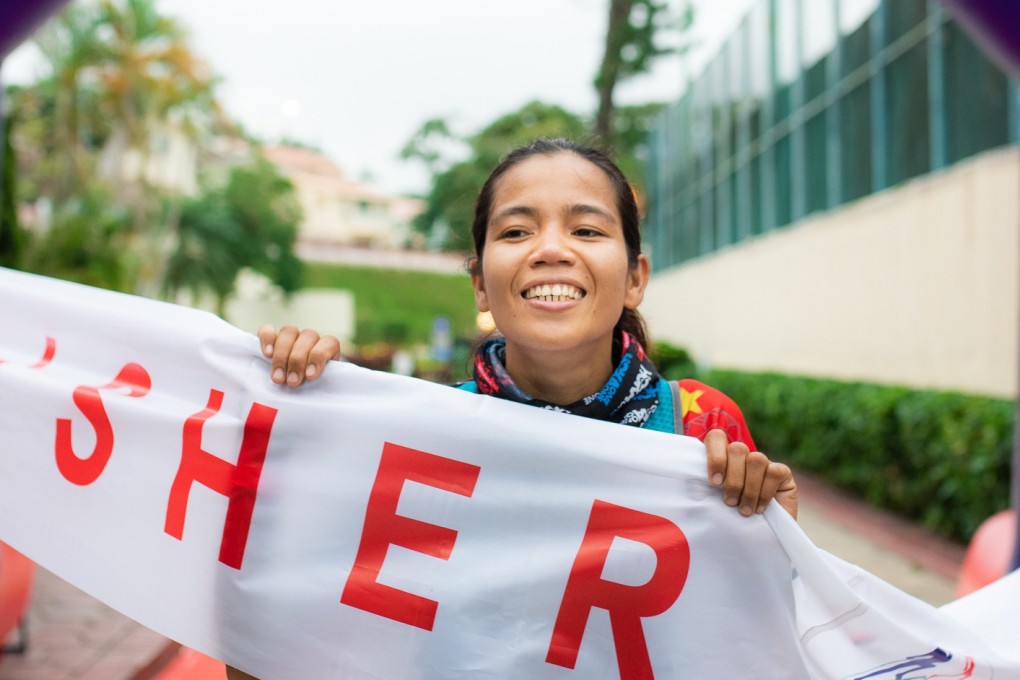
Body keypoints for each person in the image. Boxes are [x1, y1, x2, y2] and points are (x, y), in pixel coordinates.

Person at [229, 138, 796, 680]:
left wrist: (779, 542)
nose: (551, 250)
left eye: (587, 229)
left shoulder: (701, 424)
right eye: (518, 230)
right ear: (480, 283)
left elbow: (756, 636)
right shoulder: (422, 436)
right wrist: (291, 427)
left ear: (635, 278)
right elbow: (296, 631)